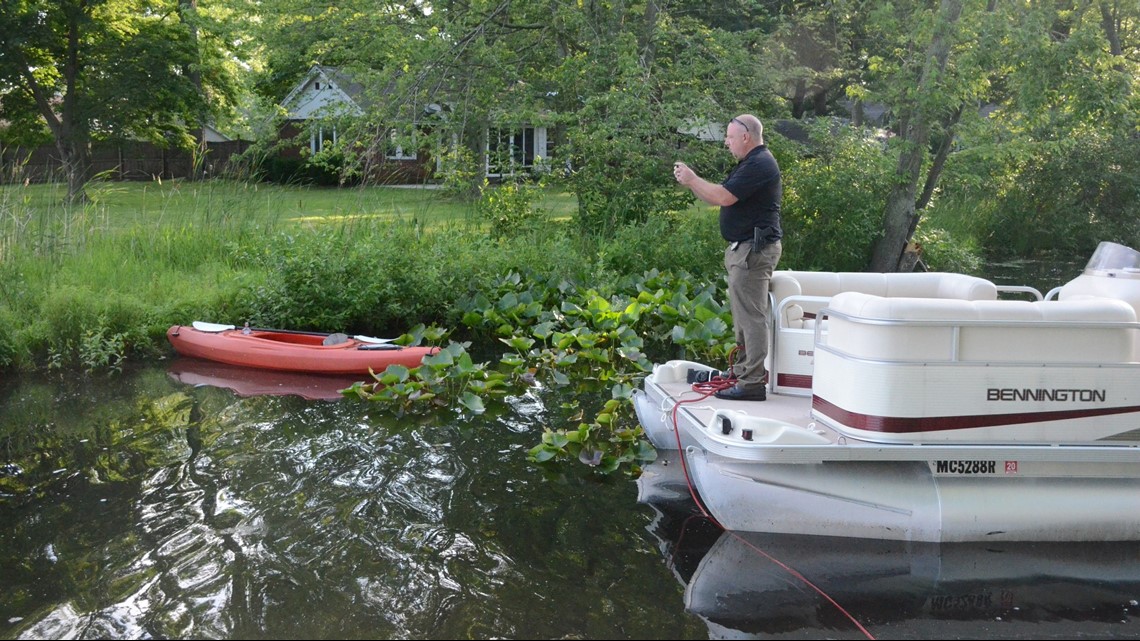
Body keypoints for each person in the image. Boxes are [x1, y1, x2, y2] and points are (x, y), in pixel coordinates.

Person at [673, 114, 782, 401]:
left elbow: (724, 197)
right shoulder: (750, 163)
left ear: (746, 137)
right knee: (744, 316)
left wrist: (693, 178)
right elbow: (718, 195)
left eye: (730, 137)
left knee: (752, 317)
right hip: (744, 250)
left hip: (753, 251)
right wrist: (692, 183)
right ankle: (744, 372)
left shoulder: (759, 163)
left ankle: (752, 383)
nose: (726, 142)